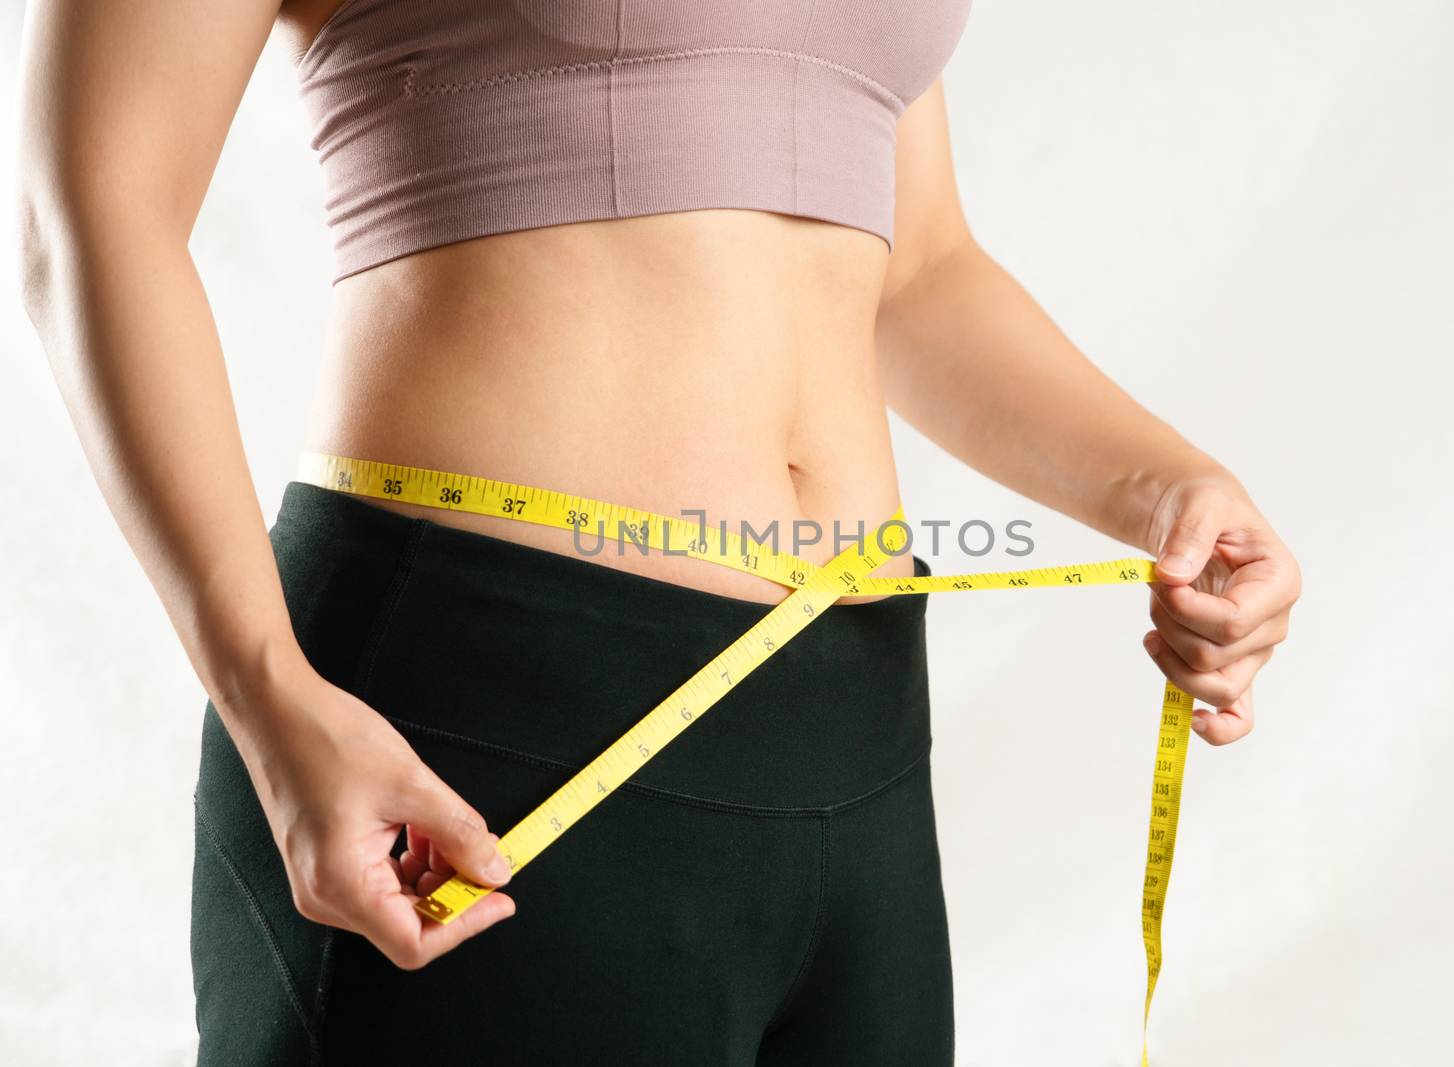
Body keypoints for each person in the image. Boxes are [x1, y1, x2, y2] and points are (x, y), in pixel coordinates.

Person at [16, 0, 1302, 1063]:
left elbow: (917, 267)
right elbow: (96, 210)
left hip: (851, 728)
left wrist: (1167, 487)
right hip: (481, 711)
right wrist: (269, 693)